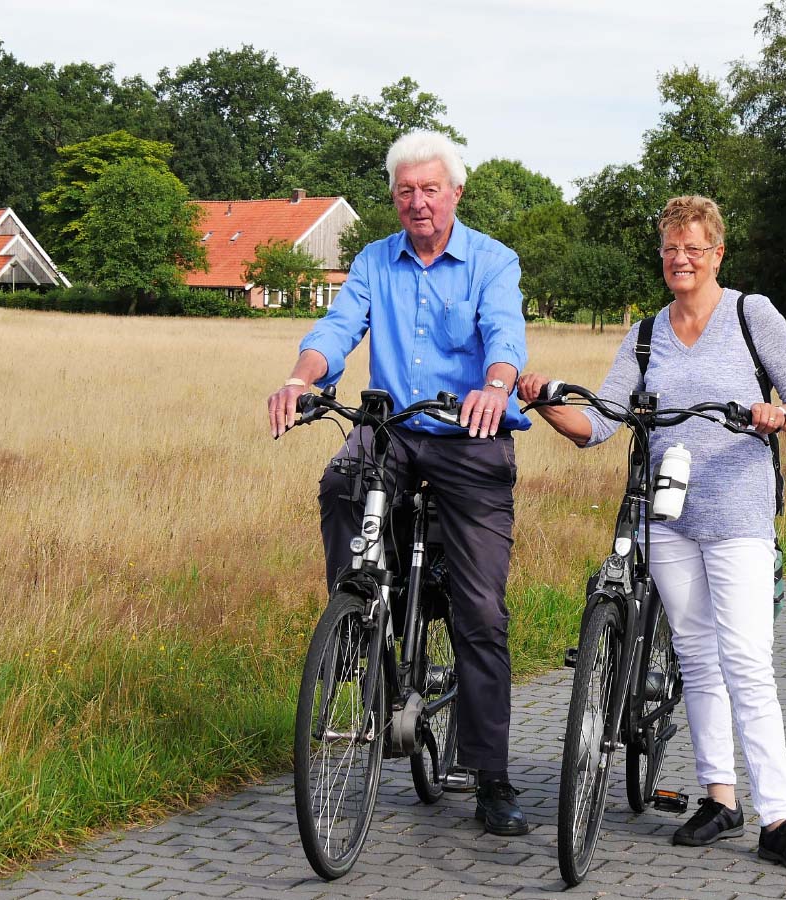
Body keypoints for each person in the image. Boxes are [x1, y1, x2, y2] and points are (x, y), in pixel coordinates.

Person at [518, 195, 786, 873]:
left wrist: (775, 417)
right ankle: (720, 798)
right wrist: (543, 400)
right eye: (670, 249)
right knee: (696, 655)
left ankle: (779, 817)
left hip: (738, 516)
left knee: (747, 659)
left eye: (693, 248)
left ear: (718, 254)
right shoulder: (646, 335)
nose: (680, 259)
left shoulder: (753, 315)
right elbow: (598, 424)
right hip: (668, 519)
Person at [267, 130, 531, 836]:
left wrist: (494, 387)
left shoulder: (492, 261)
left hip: (468, 436)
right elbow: (337, 326)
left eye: (431, 189)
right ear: (394, 198)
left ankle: (492, 778)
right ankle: (357, 620)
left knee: (480, 611)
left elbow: (505, 336)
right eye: (406, 191)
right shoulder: (373, 262)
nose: (418, 202)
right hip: (392, 430)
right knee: (338, 482)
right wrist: (302, 377)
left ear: (456, 194)